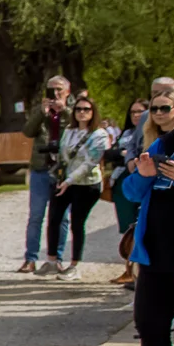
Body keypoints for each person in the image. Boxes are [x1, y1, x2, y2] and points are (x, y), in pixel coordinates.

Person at [116, 79, 174, 346]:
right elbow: (130, 192)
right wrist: (143, 175)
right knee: (151, 327)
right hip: (155, 253)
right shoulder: (162, 144)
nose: (157, 115)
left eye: (165, 108)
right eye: (153, 110)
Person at [45, 95, 112, 276]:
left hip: (86, 184)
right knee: (54, 218)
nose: (82, 113)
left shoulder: (99, 135)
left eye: (86, 109)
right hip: (65, 180)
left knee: (77, 222)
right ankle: (52, 261)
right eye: (78, 109)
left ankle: (75, 265)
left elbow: (90, 162)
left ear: (93, 113)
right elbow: (64, 154)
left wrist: (69, 180)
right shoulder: (69, 130)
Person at [21, 75, 72, 273]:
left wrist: (63, 110)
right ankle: (30, 258)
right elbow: (27, 132)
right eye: (51, 90)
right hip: (40, 168)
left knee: (62, 217)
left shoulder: (73, 111)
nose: (55, 93)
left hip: (62, 169)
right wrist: (41, 114)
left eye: (59, 89)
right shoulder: (41, 110)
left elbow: (77, 129)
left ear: (67, 91)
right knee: (36, 215)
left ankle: (56, 258)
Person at [113, 97, 151, 287]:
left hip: (148, 181)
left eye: (140, 112)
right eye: (133, 112)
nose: (136, 115)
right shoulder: (127, 133)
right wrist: (128, 159)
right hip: (129, 178)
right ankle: (130, 269)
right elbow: (125, 151)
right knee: (129, 227)